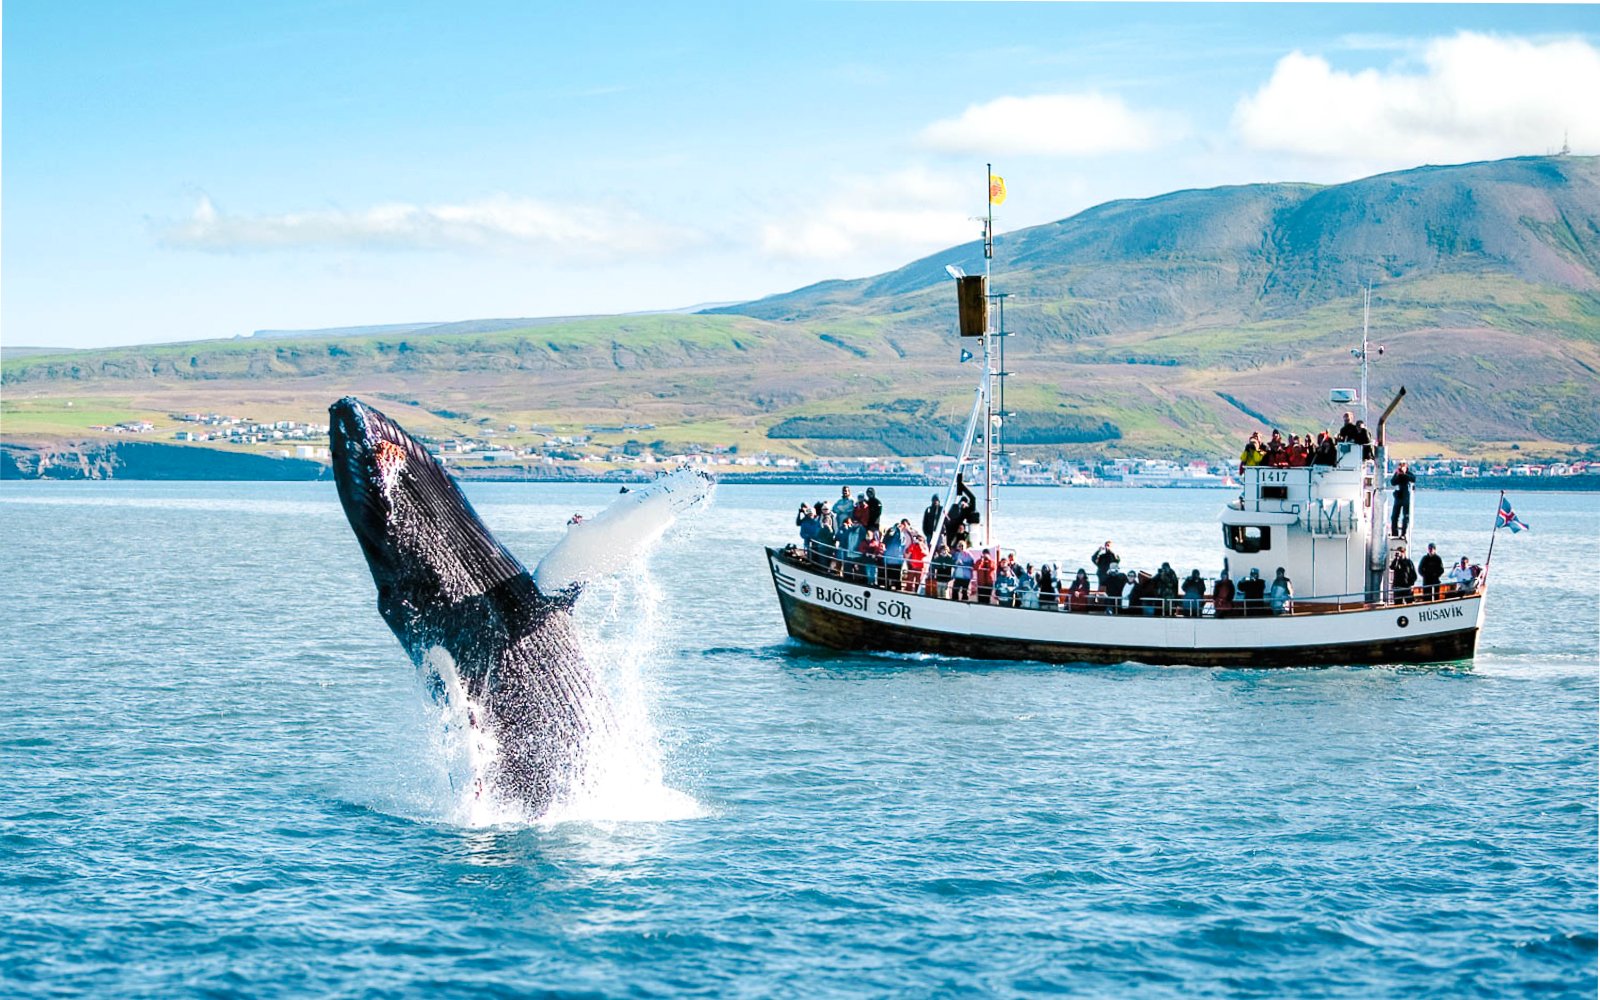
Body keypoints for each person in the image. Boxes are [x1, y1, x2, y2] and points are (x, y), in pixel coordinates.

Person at [1390, 462, 1416, 536]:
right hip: (1398, 496)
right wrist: (1398, 474)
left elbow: (1413, 479)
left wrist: (1404, 474)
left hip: (1405, 496)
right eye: (1400, 465)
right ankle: (1394, 533)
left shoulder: (1408, 473)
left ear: (1406, 466)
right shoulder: (1397, 473)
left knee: (1406, 516)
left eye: (1403, 465)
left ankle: (1403, 533)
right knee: (1394, 516)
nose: (1401, 467)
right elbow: (1393, 482)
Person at [883, 519, 908, 590]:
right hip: (896, 560)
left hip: (889, 559)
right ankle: (897, 589)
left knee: (889, 576)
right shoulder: (901, 535)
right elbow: (902, 544)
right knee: (896, 577)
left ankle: (888, 587)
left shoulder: (889, 534)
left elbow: (884, 542)